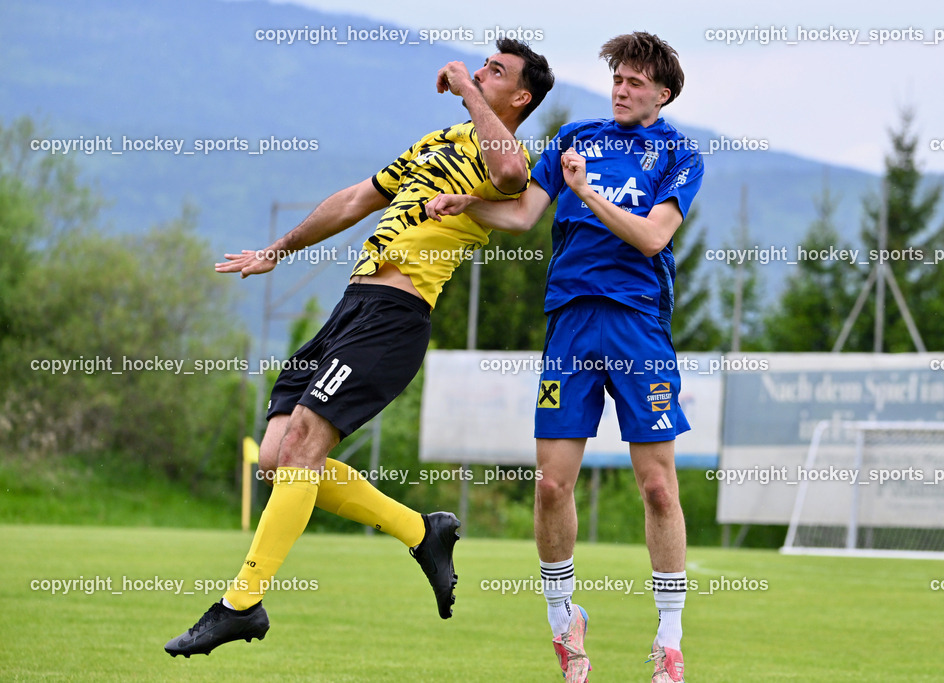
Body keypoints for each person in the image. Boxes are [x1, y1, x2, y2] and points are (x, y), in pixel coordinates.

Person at [164, 38, 554, 658]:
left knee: (302, 447)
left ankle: (240, 604)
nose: (481, 72)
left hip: (396, 317)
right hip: (352, 307)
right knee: (277, 460)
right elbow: (353, 200)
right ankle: (420, 531)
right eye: (481, 65)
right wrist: (277, 250)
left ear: (522, 97)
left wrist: (467, 89)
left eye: (496, 71)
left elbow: (510, 177)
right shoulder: (436, 143)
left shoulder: (506, 155)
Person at [426, 31, 702, 683]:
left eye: (635, 82)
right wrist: (471, 205)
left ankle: (668, 640)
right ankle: (563, 623)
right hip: (570, 325)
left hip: (638, 327)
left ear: (662, 94)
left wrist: (589, 193)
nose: (621, 90)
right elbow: (524, 214)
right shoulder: (576, 137)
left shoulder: (680, 155)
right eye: (617, 79)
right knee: (551, 484)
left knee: (658, 486)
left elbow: (653, 237)